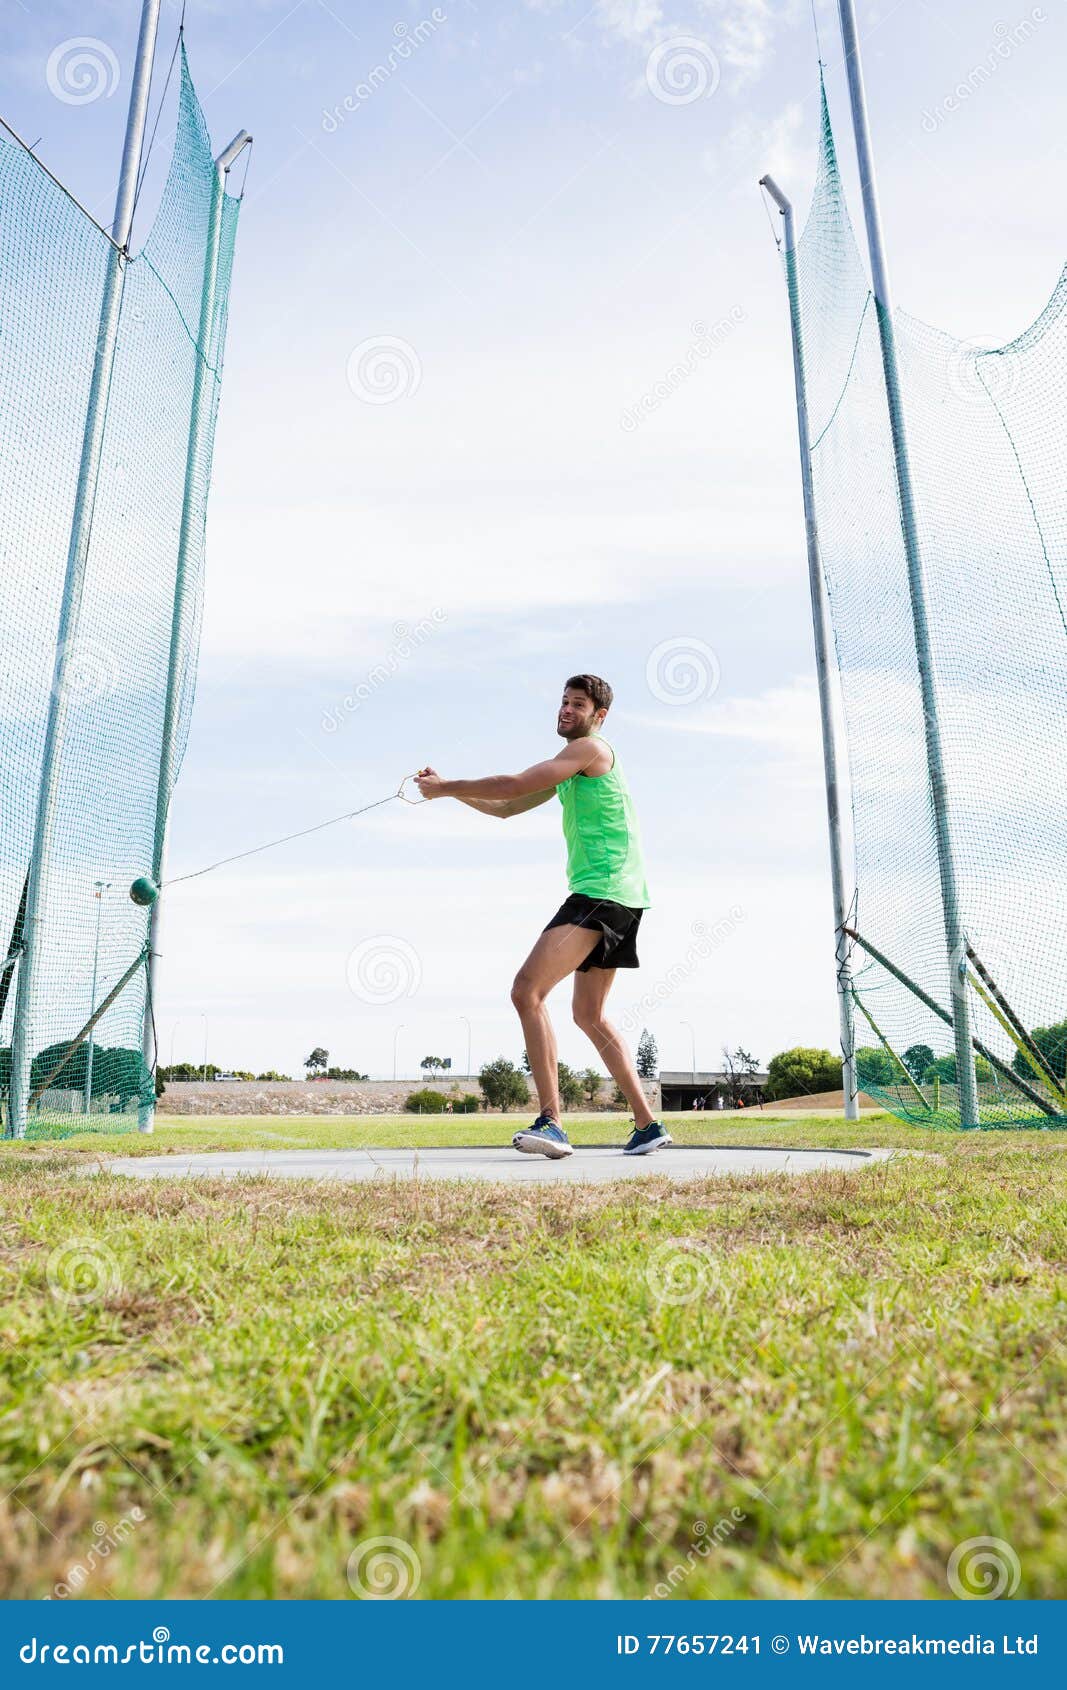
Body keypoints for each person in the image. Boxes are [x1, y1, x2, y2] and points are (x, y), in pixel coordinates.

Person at [415, 673, 671, 1158]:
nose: (567, 710)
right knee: (588, 1014)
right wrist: (446, 792)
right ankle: (646, 1124)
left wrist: (447, 784)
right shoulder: (571, 767)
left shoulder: (590, 751)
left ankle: (552, 1121)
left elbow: (513, 781)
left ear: (599, 715)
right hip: (622, 897)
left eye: (578, 704)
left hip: (602, 894)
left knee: (526, 990)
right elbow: (508, 805)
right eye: (564, 702)